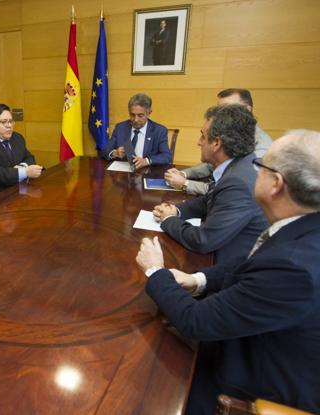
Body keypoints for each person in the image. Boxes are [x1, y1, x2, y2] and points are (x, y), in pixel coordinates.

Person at [136, 129, 320, 414]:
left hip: (248, 385)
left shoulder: (295, 268)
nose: (251, 171)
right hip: (251, 341)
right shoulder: (302, 228)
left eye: (260, 166)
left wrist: (154, 271)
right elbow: (253, 263)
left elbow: (196, 322)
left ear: (277, 184)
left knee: (144, 383)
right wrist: (198, 279)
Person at [152, 105, 268, 264]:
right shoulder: (238, 165)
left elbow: (203, 240)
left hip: (229, 269)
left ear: (217, 143)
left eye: (203, 136)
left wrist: (168, 220)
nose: (198, 142)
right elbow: (209, 200)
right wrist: (177, 210)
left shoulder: (238, 182)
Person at [165, 88, 273, 195]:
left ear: (247, 110)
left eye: (227, 109)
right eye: (219, 109)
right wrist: (184, 174)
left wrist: (185, 183)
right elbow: (213, 164)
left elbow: (233, 190)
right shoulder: (232, 132)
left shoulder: (262, 148)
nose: (219, 115)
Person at [99, 93, 172, 169]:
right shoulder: (120, 128)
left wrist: (146, 161)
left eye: (140, 115)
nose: (136, 120)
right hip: (123, 174)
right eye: (132, 115)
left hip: (147, 173)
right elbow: (105, 150)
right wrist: (115, 153)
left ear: (149, 113)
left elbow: (167, 156)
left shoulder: (159, 131)